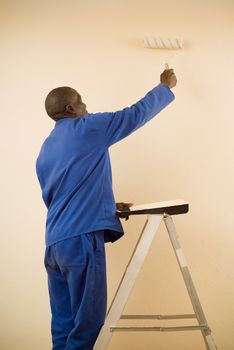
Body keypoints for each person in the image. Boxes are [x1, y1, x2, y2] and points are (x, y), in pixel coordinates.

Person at [35, 67, 177, 350]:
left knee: (63, 324)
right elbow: (134, 114)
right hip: (81, 241)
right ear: (70, 107)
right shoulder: (89, 128)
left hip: (55, 246)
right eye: (81, 100)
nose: (86, 105)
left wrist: (107, 205)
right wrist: (164, 87)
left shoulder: (47, 148)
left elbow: (66, 193)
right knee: (87, 324)